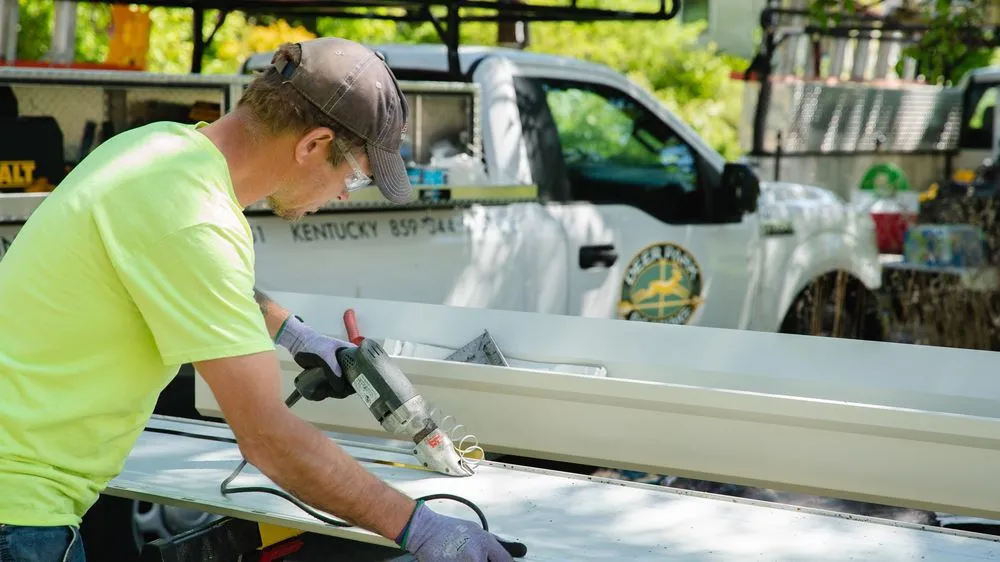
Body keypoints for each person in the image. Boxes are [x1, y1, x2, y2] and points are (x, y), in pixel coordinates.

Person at [0, 37, 514, 562]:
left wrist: (292, 332)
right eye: (354, 175)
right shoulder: (197, 219)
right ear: (312, 144)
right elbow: (268, 439)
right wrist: (422, 530)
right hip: (18, 513)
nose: (343, 194)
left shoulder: (157, 150)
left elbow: (191, 275)